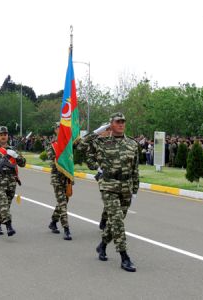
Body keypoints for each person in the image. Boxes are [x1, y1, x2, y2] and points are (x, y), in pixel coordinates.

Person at [84, 112, 139, 272]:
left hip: (126, 186)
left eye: (123, 121)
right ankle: (124, 257)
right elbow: (78, 145)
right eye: (117, 121)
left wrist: (134, 190)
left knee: (115, 221)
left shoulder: (132, 144)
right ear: (111, 124)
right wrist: (96, 131)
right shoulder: (101, 142)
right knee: (117, 221)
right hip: (109, 185)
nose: (121, 124)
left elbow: (135, 169)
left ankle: (102, 245)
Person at [47, 122, 72, 241]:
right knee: (62, 203)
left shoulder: (68, 145)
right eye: (58, 128)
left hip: (67, 177)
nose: (61, 130)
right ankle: (66, 229)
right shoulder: (52, 146)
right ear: (55, 131)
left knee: (64, 201)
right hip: (57, 177)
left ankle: (53, 222)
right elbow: (52, 162)